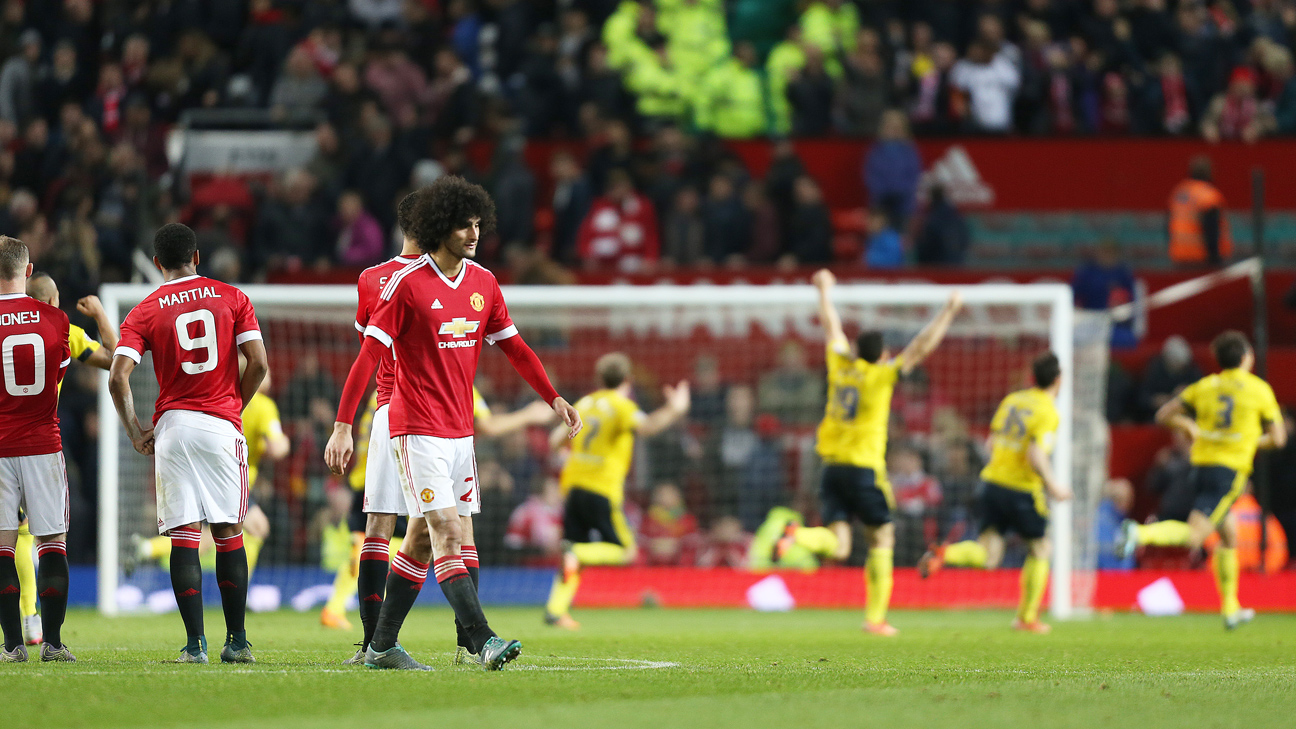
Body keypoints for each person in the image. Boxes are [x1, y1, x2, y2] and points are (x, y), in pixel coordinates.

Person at [324, 176, 580, 671]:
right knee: (445, 529)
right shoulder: (403, 286)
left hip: (460, 433)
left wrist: (553, 397)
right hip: (414, 427)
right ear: (440, 227)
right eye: (465, 224)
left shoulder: (484, 283)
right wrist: (341, 425)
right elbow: (366, 359)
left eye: (479, 223)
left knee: (422, 538)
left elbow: (515, 348)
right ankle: (481, 640)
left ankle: (379, 646)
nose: (474, 232)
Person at [109, 223, 269, 664]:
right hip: (220, 424)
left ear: (158, 263)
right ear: (197, 257)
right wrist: (235, 402)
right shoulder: (233, 297)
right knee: (228, 533)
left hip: (172, 427)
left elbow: (118, 376)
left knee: (183, 536)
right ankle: (236, 642)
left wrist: (135, 429)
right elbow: (257, 362)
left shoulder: (143, 310)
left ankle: (194, 646)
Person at [776, 269, 961, 636]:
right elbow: (920, 347)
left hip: (830, 467)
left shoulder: (841, 365)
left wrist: (824, 290)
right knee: (882, 540)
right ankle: (875, 619)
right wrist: (948, 312)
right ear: (881, 357)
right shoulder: (881, 376)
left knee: (839, 543)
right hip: (863, 469)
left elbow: (832, 328)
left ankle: (799, 535)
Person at [1118, 331, 1286, 629]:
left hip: (1200, 468)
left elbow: (1163, 414)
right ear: (1247, 357)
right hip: (1228, 472)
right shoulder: (1258, 389)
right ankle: (1140, 535)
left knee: (1229, 535)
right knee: (1196, 535)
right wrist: (1245, 442)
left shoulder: (1205, 385)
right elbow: (1278, 437)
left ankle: (1230, 608)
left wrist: (1190, 427)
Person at [919, 353, 1071, 634]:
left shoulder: (1012, 401)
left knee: (988, 555)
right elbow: (1036, 453)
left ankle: (944, 553)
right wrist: (1053, 485)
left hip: (991, 484)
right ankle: (1026, 618)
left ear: (1031, 378)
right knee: (1040, 548)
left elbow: (991, 444)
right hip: (1022, 490)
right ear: (1058, 380)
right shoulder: (1048, 411)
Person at [543, 352, 689, 629]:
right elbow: (647, 427)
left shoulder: (585, 403)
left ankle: (555, 610)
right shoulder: (622, 405)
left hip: (572, 487)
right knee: (625, 551)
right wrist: (676, 409)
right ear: (629, 380)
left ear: (598, 379)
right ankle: (577, 555)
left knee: (574, 553)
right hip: (601, 489)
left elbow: (554, 441)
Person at [16, 274, 117, 645]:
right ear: (54, 300)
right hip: (40, 444)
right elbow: (114, 356)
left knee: (12, 538)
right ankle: (48, 636)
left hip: (3, 441)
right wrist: (101, 315)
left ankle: (25, 620)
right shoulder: (64, 329)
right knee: (47, 539)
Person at [0, 236, 74, 663]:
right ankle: (53, 644)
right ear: (28, 272)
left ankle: (12, 646)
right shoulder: (55, 319)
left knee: (3, 548)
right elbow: (57, 375)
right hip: (43, 444)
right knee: (51, 544)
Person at [1168, 156, 1231, 266]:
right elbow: (1211, 230)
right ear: (1210, 172)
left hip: (1179, 258)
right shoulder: (1209, 196)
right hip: (1201, 258)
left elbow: (1169, 225)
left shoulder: (1180, 192)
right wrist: (1215, 258)